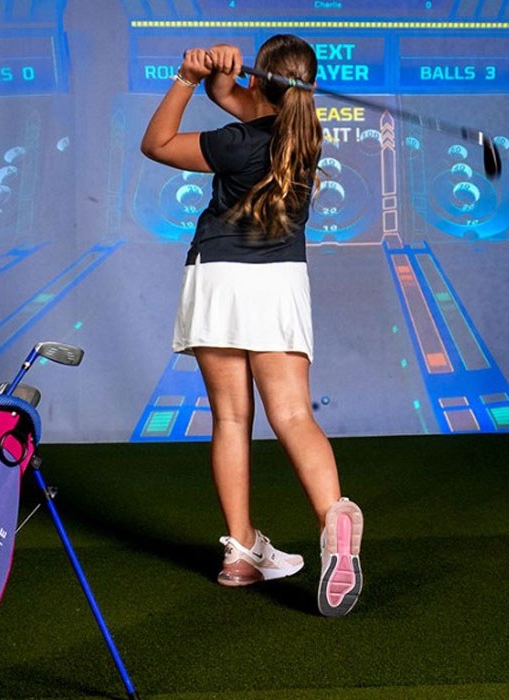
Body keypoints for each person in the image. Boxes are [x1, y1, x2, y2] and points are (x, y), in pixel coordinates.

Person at [139, 34, 364, 617]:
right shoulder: (305, 138)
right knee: (293, 415)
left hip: (218, 279)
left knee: (232, 418)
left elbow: (156, 143)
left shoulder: (234, 143)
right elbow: (236, 99)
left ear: (261, 81)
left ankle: (239, 553)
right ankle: (333, 517)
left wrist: (187, 77)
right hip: (278, 283)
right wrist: (223, 73)